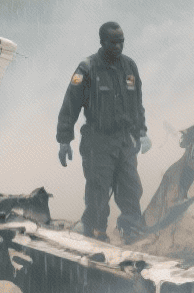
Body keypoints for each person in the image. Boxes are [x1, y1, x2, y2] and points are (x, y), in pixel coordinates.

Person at [56, 21, 150, 242]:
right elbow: (70, 105)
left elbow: (137, 104)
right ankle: (94, 233)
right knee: (98, 190)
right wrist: (64, 140)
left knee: (131, 188)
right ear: (102, 41)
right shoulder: (87, 69)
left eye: (121, 42)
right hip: (98, 141)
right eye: (113, 42)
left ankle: (131, 231)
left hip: (124, 140)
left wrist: (142, 132)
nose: (118, 46)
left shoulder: (130, 67)